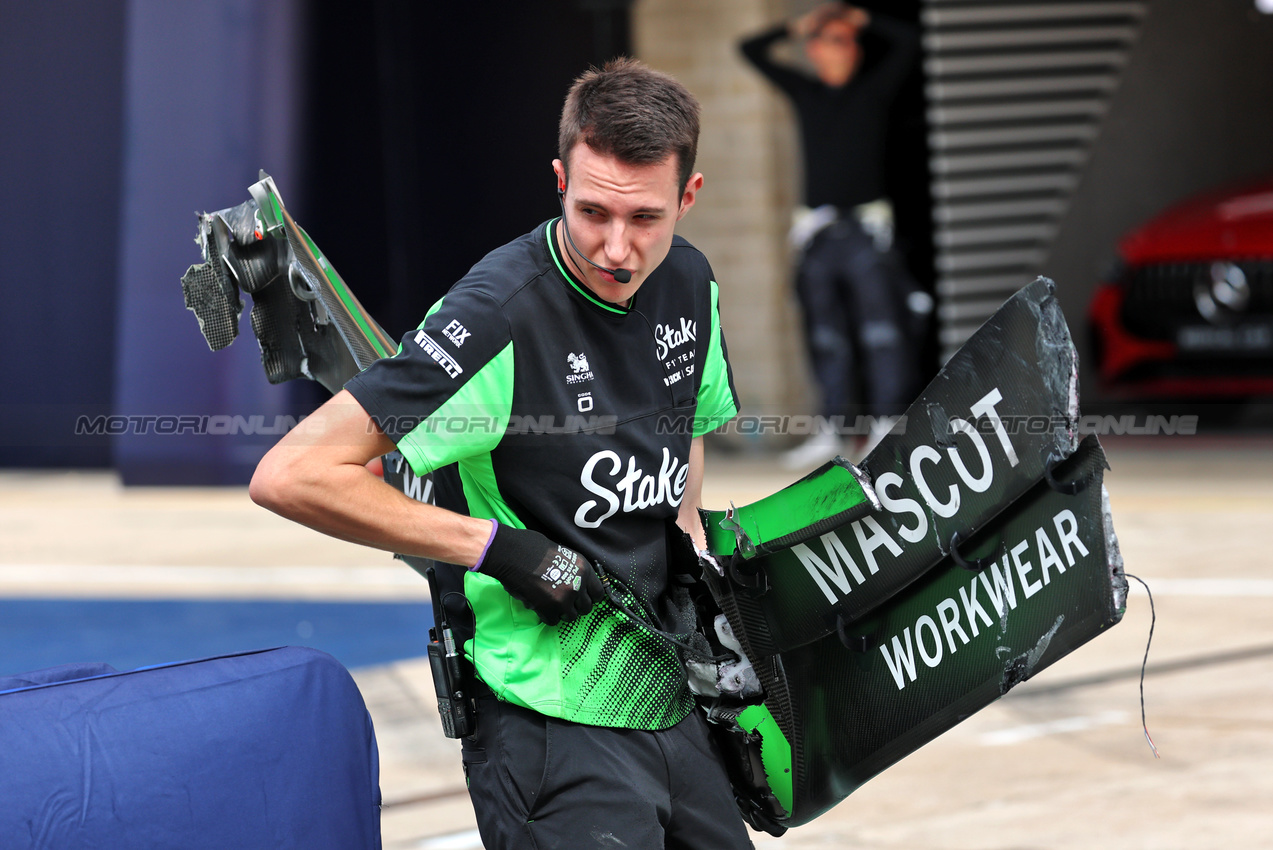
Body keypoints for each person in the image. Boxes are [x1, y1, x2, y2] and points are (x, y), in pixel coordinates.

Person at [249, 58, 753, 849]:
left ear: (687, 196)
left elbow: (684, 427)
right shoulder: (495, 317)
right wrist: (499, 549)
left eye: (645, 218)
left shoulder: (688, 279)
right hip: (544, 718)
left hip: (666, 694)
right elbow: (292, 474)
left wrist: (697, 568)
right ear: (559, 180)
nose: (616, 248)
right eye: (591, 212)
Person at [740, 2, 930, 467]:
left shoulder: (873, 90)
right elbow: (750, 50)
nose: (839, 48)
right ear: (814, 50)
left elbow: (909, 42)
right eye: (827, 41)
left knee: (882, 333)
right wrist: (799, 25)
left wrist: (862, 18)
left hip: (865, 232)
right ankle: (833, 431)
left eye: (845, 41)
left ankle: (885, 425)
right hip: (818, 235)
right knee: (826, 336)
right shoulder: (806, 92)